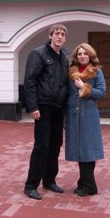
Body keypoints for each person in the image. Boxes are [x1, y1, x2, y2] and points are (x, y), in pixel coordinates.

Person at [23, 24, 70, 200]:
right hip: (43, 106)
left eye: (63, 34)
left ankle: (49, 180)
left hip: (59, 107)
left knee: (55, 144)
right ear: (50, 36)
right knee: (41, 146)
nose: (59, 36)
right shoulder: (38, 54)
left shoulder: (64, 57)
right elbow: (30, 80)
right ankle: (31, 185)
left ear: (65, 38)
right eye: (57, 33)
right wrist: (33, 107)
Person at [65, 43, 106, 196]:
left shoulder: (96, 72)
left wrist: (84, 86)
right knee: (78, 150)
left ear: (90, 55)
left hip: (88, 116)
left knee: (88, 150)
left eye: (85, 53)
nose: (82, 56)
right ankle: (83, 183)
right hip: (73, 116)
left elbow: (101, 93)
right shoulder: (71, 73)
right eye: (79, 54)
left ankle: (90, 186)